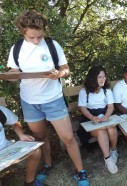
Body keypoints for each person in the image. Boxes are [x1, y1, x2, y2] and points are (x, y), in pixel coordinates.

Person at [7, 11, 89, 186]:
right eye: (32, 37)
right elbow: (14, 73)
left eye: (40, 36)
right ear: (23, 32)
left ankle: (80, 172)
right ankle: (47, 164)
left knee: (67, 137)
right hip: (29, 101)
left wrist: (59, 73)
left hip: (53, 99)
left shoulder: (53, 45)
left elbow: (66, 69)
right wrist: (8, 75)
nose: (37, 41)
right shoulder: (17, 48)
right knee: (40, 137)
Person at [77, 65, 118, 174]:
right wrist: (92, 118)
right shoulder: (84, 91)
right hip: (89, 118)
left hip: (104, 115)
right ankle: (108, 159)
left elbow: (110, 107)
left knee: (111, 129)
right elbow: (83, 108)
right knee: (101, 131)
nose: (103, 79)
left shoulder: (106, 90)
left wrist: (107, 116)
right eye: (100, 77)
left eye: (104, 77)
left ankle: (114, 150)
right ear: (93, 78)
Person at [0, 106, 43, 186]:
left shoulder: (1, 111)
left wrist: (21, 135)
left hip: (5, 148)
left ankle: (30, 182)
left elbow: (15, 123)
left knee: (36, 151)